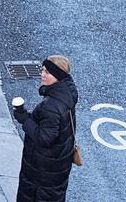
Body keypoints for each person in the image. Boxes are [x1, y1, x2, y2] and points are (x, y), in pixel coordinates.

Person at [14, 55, 79, 202]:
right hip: (57, 165)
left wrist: (24, 119)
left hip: (42, 170)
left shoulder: (52, 106)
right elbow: (50, 126)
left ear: (58, 75)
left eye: (48, 72)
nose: (42, 74)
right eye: (42, 70)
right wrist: (29, 118)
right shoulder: (66, 92)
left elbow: (45, 137)